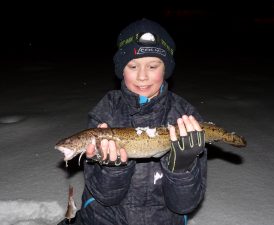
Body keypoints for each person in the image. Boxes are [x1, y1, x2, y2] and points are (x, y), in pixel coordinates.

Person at [59, 18, 207, 225]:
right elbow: (105, 197)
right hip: (105, 218)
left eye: (153, 66)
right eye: (133, 66)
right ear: (121, 69)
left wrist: (182, 168)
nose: (142, 76)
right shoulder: (105, 113)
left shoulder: (185, 118)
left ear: (166, 69)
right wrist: (113, 169)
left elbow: (184, 205)